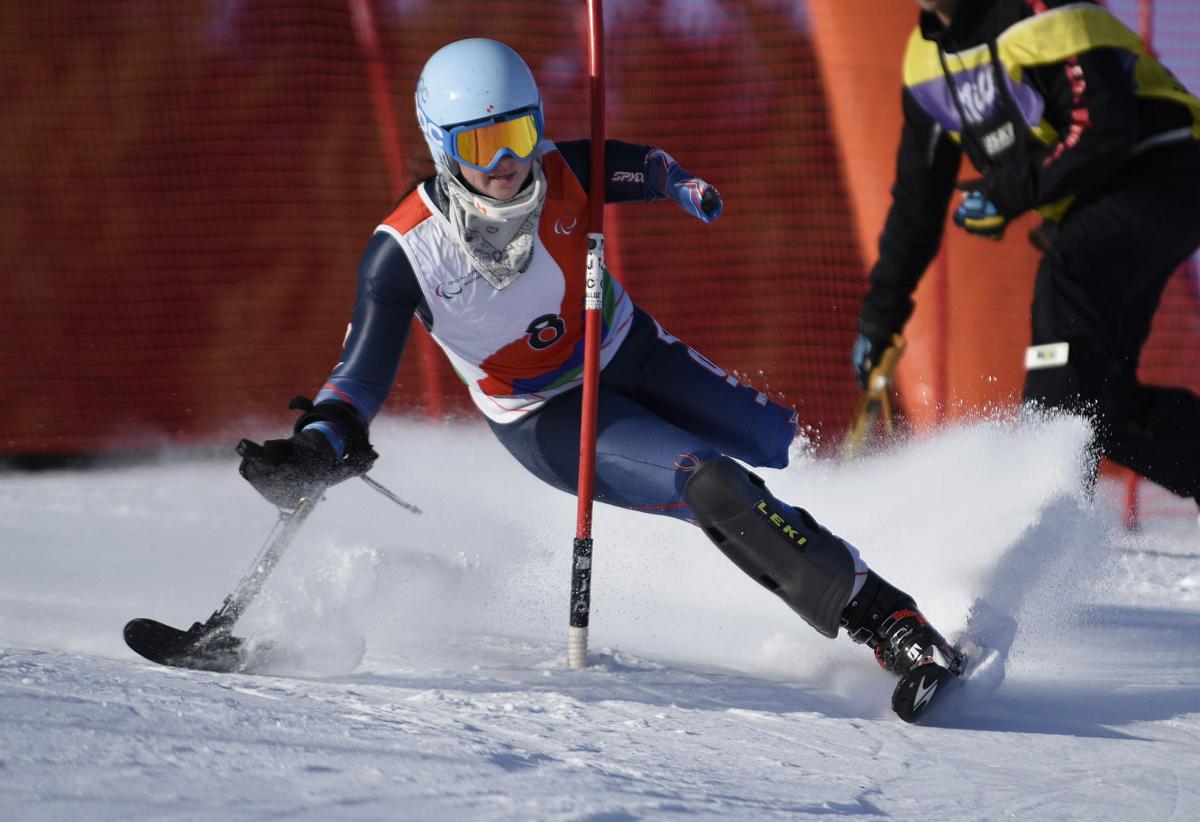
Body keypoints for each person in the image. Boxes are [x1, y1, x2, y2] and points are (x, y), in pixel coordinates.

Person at [237, 37, 963, 719]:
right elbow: (357, 381)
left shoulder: (561, 172)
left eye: (519, 136)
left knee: (771, 440)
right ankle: (889, 623)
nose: (507, 165)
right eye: (480, 147)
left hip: (629, 348)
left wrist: (680, 185)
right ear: (441, 146)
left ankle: (838, 544)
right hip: (543, 413)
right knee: (706, 479)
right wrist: (318, 445)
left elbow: (640, 165)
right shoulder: (404, 254)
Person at [852, 0, 1200, 504]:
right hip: (1098, 209)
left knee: (1068, 278)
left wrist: (1006, 192)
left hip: (1165, 170)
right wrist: (879, 317)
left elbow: (1105, 126)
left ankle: (1039, 516)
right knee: (1105, 403)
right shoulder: (925, 64)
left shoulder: (1039, 10)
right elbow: (916, 206)